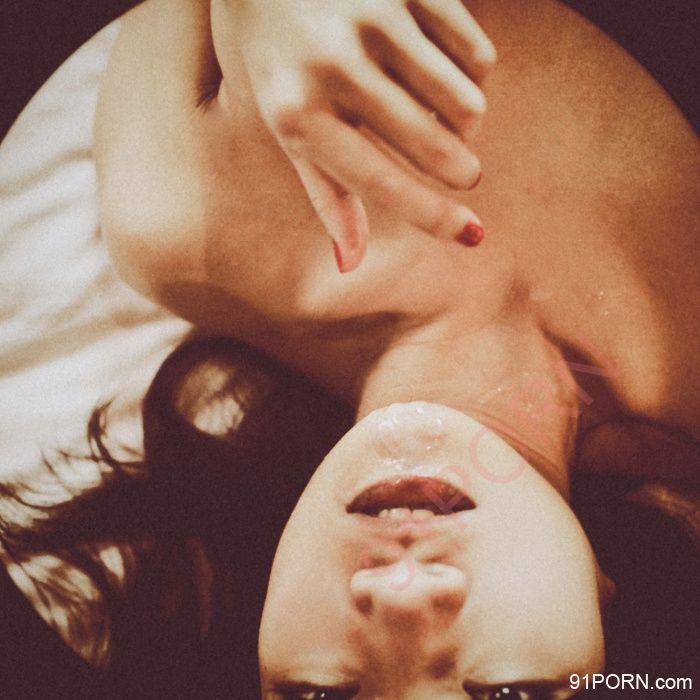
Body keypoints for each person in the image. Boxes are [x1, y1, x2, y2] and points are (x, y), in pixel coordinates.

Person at [1, 0, 698, 697]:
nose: (398, 593)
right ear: (611, 614)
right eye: (506, 695)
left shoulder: (178, 213)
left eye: (320, 696)